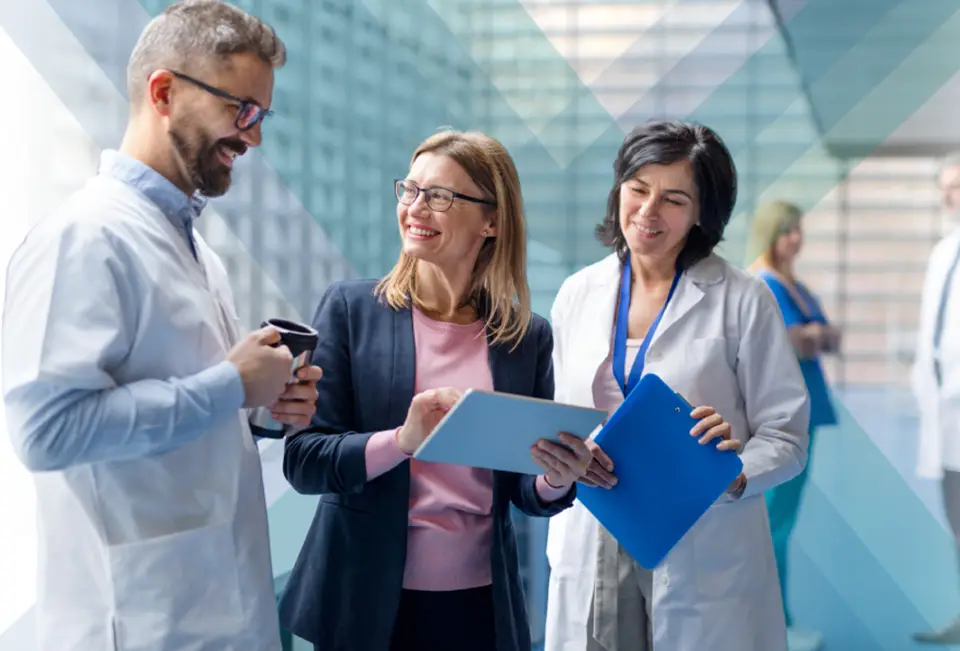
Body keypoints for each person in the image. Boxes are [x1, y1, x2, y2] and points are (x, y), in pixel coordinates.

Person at [1, 2, 321, 650]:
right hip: (137, 625)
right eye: (242, 110)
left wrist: (261, 406)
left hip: (217, 616)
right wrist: (231, 385)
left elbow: (187, 403)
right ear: (164, 91)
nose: (253, 135)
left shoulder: (194, 248)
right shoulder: (83, 239)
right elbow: (46, 430)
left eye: (261, 115)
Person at [278, 130, 592, 651]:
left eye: (441, 196)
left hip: (479, 606)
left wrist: (555, 478)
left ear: (491, 221)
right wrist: (402, 439)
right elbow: (305, 461)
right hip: (364, 601)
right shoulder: (352, 312)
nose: (416, 208)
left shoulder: (524, 338)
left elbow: (522, 490)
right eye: (410, 190)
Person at [543, 119, 811, 651]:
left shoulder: (743, 299)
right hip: (595, 529)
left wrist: (731, 472)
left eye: (673, 199)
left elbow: (787, 436)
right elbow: (556, 416)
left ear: (701, 214)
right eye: (637, 189)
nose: (646, 212)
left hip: (702, 534)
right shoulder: (578, 293)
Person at [747, 200, 840, 651]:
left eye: (799, 229)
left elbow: (822, 337)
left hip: (807, 413)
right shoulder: (762, 284)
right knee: (772, 524)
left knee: (782, 521)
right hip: (782, 416)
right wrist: (813, 336)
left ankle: (780, 618)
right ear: (770, 233)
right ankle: (770, 622)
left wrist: (813, 336)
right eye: (788, 231)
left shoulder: (793, 285)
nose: (796, 239)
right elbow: (789, 341)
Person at [911, 152, 960, 645]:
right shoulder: (945, 251)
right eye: (946, 187)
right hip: (946, 414)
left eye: (958, 185)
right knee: (957, 518)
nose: (950, 196)